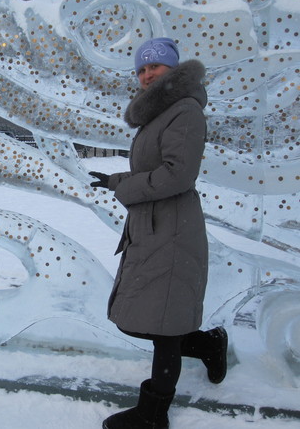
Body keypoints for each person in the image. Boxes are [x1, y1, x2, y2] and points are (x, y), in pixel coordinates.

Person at [89, 38, 228, 428]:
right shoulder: (158, 114)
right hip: (152, 226)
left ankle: (153, 414)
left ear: (173, 69)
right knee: (143, 317)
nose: (147, 74)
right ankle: (207, 343)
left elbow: (178, 175)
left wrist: (126, 189)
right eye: (142, 69)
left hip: (173, 229)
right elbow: (155, 168)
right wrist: (115, 180)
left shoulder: (185, 111)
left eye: (155, 66)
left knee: (162, 324)